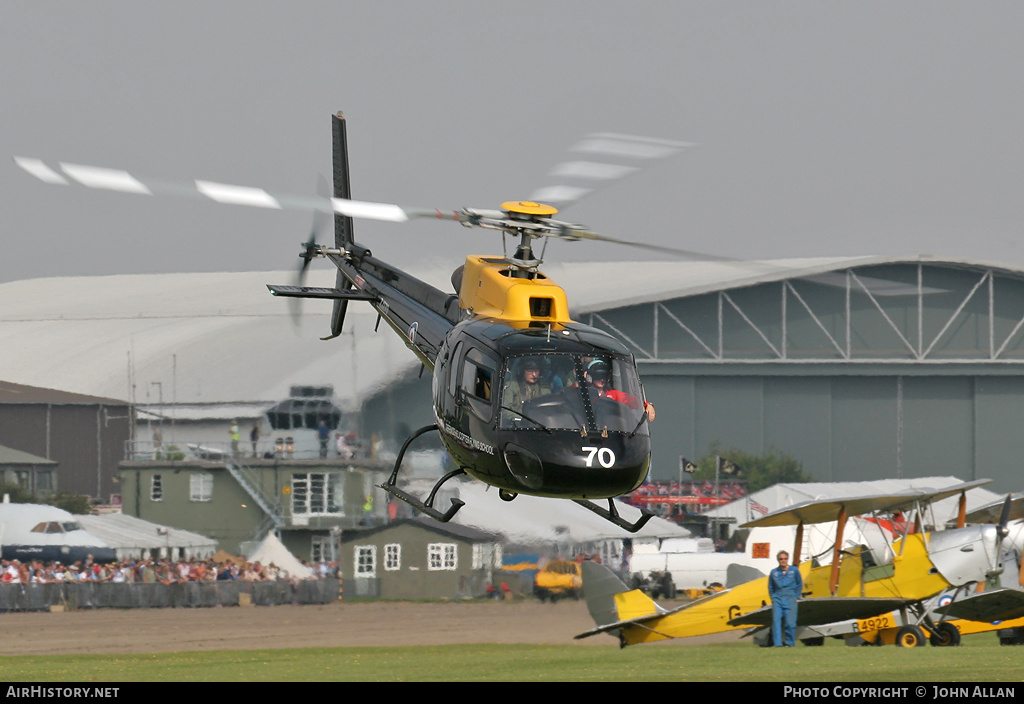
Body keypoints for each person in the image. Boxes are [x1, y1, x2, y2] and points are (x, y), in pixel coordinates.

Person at [583, 359, 656, 420]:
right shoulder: (581, 394)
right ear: (589, 376)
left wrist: (647, 405)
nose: (602, 379)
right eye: (598, 376)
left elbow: (634, 401)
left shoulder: (613, 395)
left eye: (605, 376)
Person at [768, 550, 802, 647]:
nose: (783, 561)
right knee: (776, 621)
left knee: (790, 623)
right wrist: (773, 598)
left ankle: (790, 643)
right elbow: (771, 587)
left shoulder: (794, 570)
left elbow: (799, 584)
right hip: (778, 599)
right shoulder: (774, 572)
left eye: (785, 559)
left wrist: (797, 597)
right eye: (781, 559)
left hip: (791, 598)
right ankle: (778, 644)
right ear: (778, 560)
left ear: (788, 559)